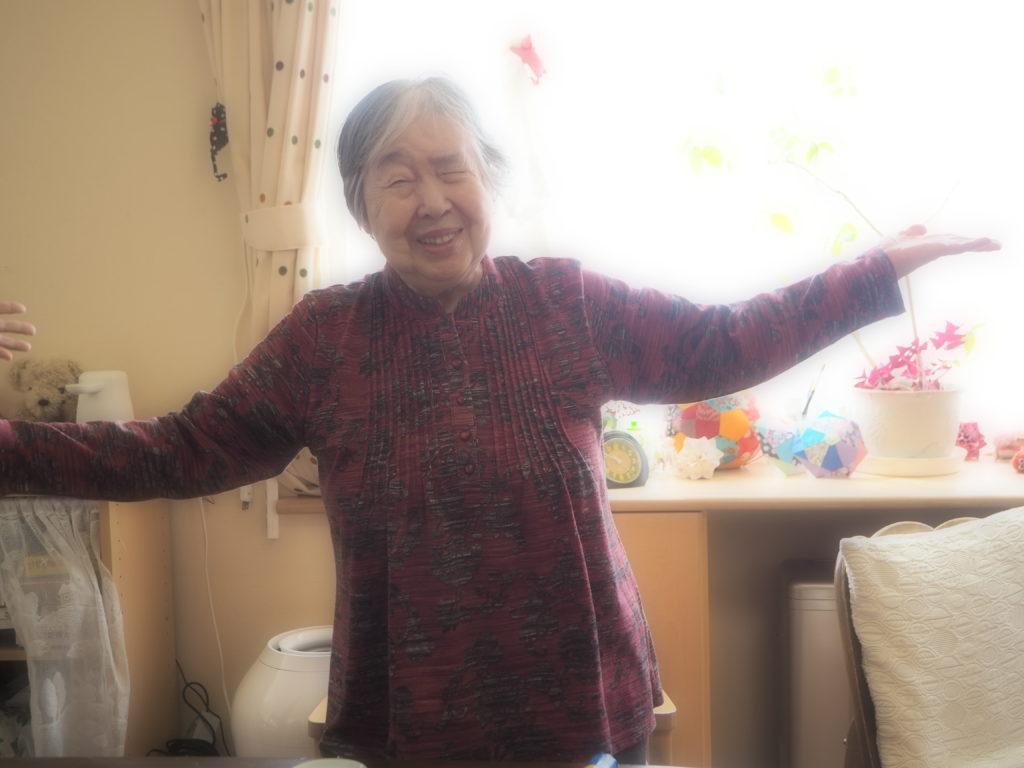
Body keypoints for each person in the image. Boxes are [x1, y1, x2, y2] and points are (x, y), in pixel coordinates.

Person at [0, 77, 1000, 762]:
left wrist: (870, 274)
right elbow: (178, 451)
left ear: (489, 182)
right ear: (360, 205)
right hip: (409, 715)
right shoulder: (322, 339)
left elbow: (720, 343)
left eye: (452, 168)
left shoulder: (564, 303)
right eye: (397, 176)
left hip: (582, 698)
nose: (431, 199)